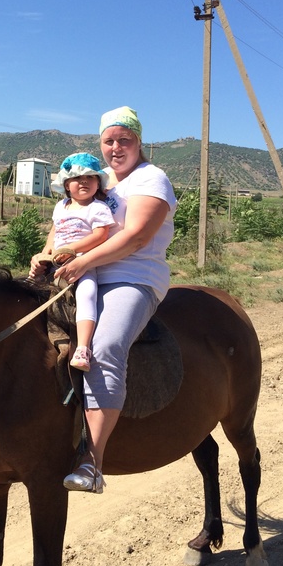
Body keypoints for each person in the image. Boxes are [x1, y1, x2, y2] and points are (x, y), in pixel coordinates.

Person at [29, 106, 177, 494]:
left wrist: (83, 262)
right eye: (109, 140)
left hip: (133, 277)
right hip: (80, 272)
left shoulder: (151, 179)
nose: (116, 147)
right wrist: (45, 254)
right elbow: (64, 223)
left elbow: (137, 236)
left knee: (106, 346)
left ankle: (92, 462)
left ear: (139, 142)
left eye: (124, 139)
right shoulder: (97, 180)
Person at [30, 152, 115, 371]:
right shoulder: (61, 206)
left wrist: (71, 250)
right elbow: (54, 232)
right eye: (77, 178)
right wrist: (44, 253)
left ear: (98, 183)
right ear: (67, 185)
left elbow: (100, 235)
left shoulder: (98, 208)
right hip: (55, 261)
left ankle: (83, 348)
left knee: (87, 293)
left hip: (82, 263)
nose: (84, 182)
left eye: (90, 177)